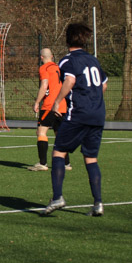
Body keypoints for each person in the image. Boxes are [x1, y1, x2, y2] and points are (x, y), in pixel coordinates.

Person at [43, 23, 108, 217]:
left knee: (58, 152)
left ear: (67, 39)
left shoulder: (67, 60)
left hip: (78, 114)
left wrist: (57, 101)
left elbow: (70, 81)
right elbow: (104, 85)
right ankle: (98, 204)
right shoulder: (93, 60)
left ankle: (57, 197)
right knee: (91, 158)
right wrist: (93, 99)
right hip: (97, 114)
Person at [30, 49, 71, 171]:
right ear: (52, 56)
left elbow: (44, 85)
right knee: (59, 134)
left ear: (41, 57)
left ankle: (42, 163)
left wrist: (37, 102)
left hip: (49, 105)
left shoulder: (44, 68)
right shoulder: (58, 68)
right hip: (62, 104)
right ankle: (66, 164)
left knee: (41, 132)